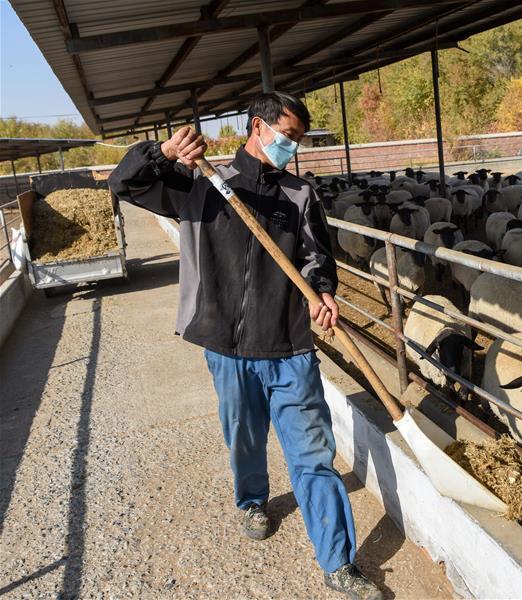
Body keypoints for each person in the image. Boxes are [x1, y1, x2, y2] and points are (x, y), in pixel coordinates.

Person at [108, 91, 381, 600]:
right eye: (288, 136)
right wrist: (162, 154)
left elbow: (318, 256)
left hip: (289, 346)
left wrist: (322, 292)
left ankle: (339, 562)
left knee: (313, 456)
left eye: (297, 140)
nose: (292, 148)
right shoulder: (197, 183)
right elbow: (124, 183)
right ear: (259, 127)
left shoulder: (299, 195)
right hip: (227, 346)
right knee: (245, 437)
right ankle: (252, 500)